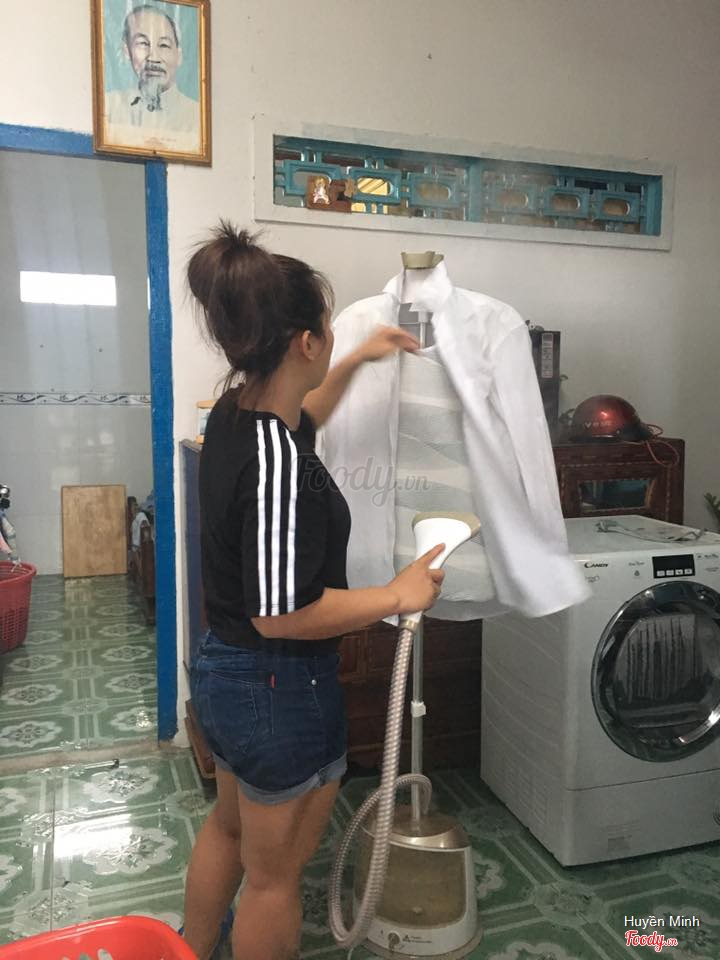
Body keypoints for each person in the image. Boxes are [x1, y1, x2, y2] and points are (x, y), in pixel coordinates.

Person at [182, 223, 446, 960]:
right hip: (276, 686)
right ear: (304, 341)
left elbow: (304, 418)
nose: (333, 338)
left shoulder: (237, 412)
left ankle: (189, 950)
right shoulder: (276, 465)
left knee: (229, 829)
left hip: (227, 672)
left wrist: (357, 357)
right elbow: (280, 615)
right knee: (273, 880)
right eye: (329, 330)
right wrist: (397, 595)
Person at [105, 4, 200, 153]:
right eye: (143, 43)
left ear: (179, 55)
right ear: (127, 51)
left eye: (164, 45)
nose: (153, 57)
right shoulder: (108, 107)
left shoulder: (197, 117)